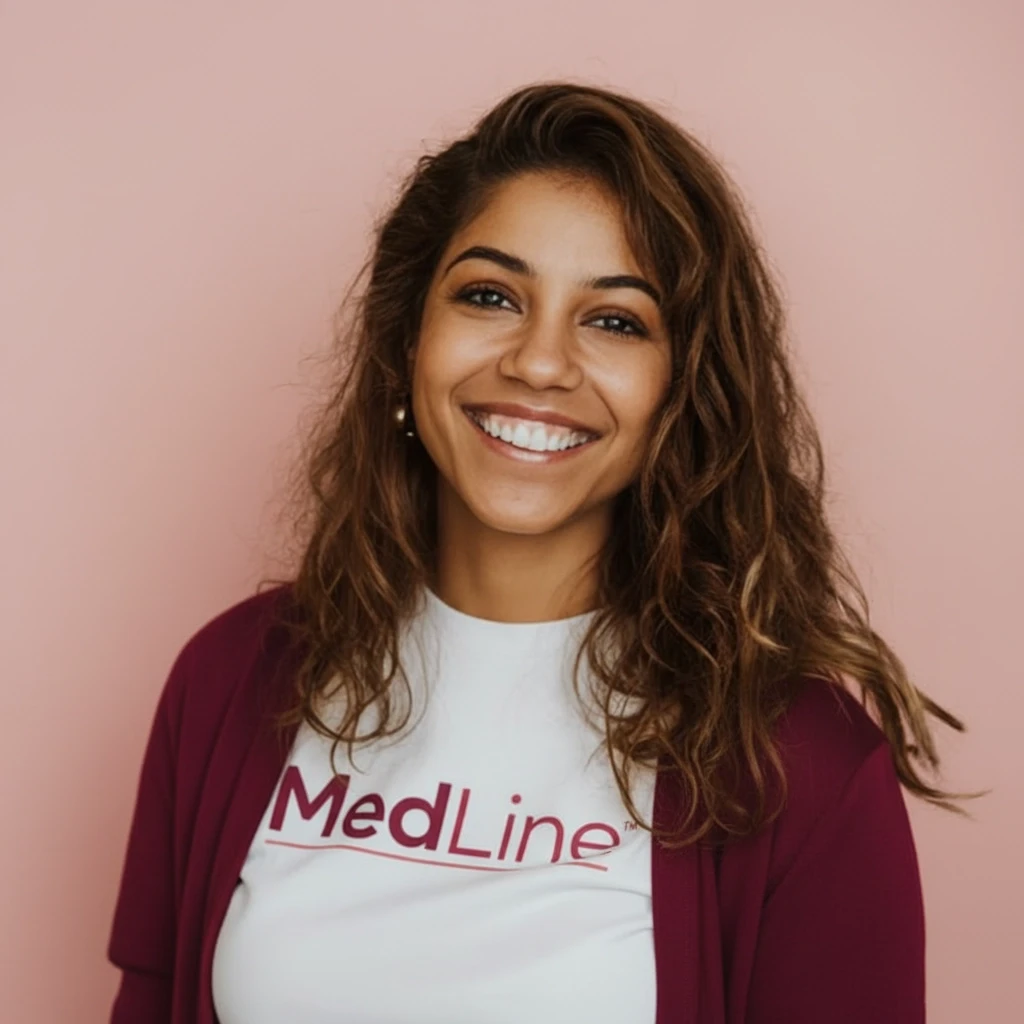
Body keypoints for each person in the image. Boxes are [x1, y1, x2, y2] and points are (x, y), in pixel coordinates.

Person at [106, 81, 981, 1024]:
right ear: (408, 342)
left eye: (614, 320)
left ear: (681, 391)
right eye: (491, 296)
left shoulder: (798, 759)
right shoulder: (234, 678)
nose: (539, 361)